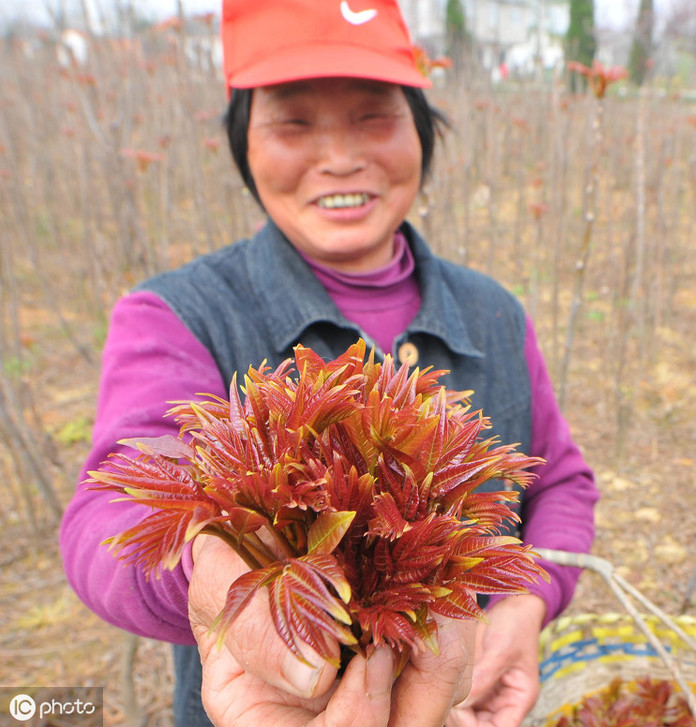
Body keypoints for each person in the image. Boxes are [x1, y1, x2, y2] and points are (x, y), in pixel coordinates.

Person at [58, 1, 599, 725]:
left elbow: (559, 479)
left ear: (424, 130)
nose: (340, 156)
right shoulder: (176, 314)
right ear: (242, 143)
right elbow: (110, 508)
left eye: (376, 115)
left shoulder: (494, 310)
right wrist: (220, 569)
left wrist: (526, 602)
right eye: (294, 121)